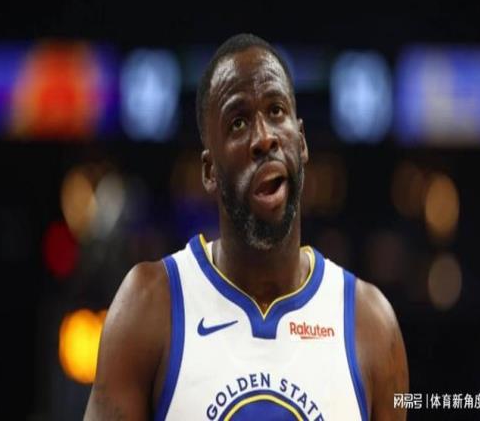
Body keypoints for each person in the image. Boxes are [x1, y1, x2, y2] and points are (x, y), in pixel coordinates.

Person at [84, 33, 409, 421]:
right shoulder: (148, 307)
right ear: (210, 171)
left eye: (276, 111)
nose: (264, 138)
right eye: (238, 123)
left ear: (302, 142)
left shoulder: (370, 323)